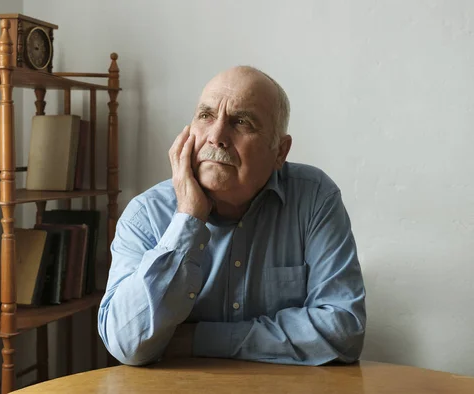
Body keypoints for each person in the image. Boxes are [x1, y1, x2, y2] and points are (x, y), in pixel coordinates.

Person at [97, 65, 366, 366]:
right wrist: (188, 218)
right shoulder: (146, 214)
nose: (216, 137)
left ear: (280, 151)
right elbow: (126, 343)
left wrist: (196, 339)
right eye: (206, 116)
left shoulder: (314, 199)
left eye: (241, 122)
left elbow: (343, 330)